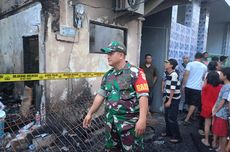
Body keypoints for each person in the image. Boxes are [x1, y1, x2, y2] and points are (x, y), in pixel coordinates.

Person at [83, 41, 149, 151]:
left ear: (121, 55)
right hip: (111, 124)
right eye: (107, 54)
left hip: (129, 124)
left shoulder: (135, 72)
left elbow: (143, 96)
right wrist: (90, 113)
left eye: (111, 53)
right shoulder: (108, 75)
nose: (107, 57)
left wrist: (142, 119)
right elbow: (100, 95)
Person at [182, 52, 207, 125]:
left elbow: (186, 75)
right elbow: (203, 77)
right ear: (201, 58)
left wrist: (183, 85)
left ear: (195, 57)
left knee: (189, 102)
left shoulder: (190, 64)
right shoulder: (204, 66)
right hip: (197, 87)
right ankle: (189, 117)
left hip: (188, 86)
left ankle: (187, 117)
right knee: (193, 103)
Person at [161, 59, 182, 143]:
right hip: (169, 97)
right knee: (167, 116)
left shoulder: (173, 74)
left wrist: (169, 101)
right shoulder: (168, 73)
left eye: (167, 63)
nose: (165, 64)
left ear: (171, 65)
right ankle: (168, 132)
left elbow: (172, 89)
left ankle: (177, 137)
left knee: (172, 118)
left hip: (173, 99)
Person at [200, 71, 222, 146]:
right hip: (216, 108)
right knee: (215, 124)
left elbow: (202, 95)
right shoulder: (220, 87)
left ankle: (206, 141)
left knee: (207, 124)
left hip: (206, 107)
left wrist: (205, 81)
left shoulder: (205, 87)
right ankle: (214, 142)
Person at [212, 67, 230, 152]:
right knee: (219, 131)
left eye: (221, 74)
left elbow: (223, 101)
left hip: (222, 113)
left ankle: (222, 149)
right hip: (220, 113)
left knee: (222, 133)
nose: (219, 75)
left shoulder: (227, 87)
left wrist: (215, 110)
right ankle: (220, 147)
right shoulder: (225, 86)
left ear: (225, 76)